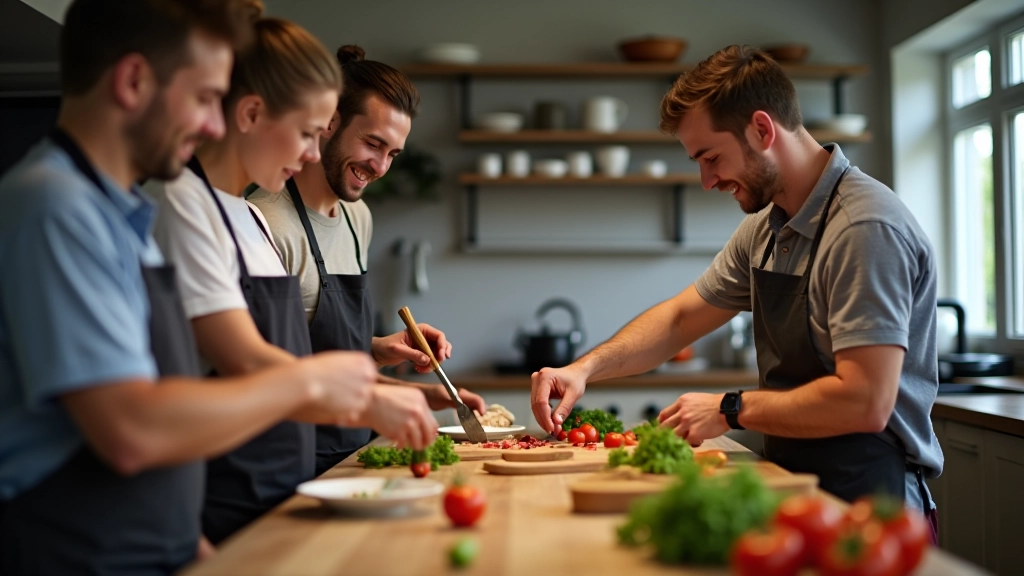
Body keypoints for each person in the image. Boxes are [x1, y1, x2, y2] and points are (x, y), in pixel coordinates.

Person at [0, 1, 377, 573]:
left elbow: (158, 408)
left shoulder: (119, 214)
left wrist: (193, 546)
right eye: (204, 98)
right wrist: (309, 381)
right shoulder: (56, 209)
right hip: (83, 553)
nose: (211, 123)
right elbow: (130, 429)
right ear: (132, 81)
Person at [530, 45, 942, 535]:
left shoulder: (863, 227)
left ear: (762, 131)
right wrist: (583, 369)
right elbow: (681, 319)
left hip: (874, 504)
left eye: (711, 157)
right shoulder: (768, 227)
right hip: (797, 485)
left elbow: (866, 401)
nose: (706, 180)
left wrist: (731, 407)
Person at [146, 17, 440, 543]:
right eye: (308, 132)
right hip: (232, 495)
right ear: (251, 113)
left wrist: (378, 378)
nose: (310, 152)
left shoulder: (246, 218)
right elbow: (249, 363)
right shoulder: (185, 206)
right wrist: (373, 396)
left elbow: (285, 357)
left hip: (287, 486)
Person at [249, 45, 487, 474]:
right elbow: (265, 373)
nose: (379, 166)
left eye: (393, 154)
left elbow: (315, 344)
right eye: (372, 143)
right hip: (288, 464)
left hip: (353, 458)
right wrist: (382, 393)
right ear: (329, 122)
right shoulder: (266, 222)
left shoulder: (358, 217)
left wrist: (380, 353)